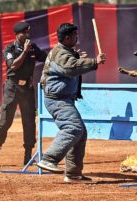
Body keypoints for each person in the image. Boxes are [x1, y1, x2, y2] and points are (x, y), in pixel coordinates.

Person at [37, 23, 106, 183]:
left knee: (80, 133)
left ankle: (73, 173)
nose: (77, 38)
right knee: (73, 128)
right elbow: (70, 69)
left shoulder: (65, 52)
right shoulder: (60, 53)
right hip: (57, 99)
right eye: (75, 35)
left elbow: (71, 65)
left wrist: (81, 60)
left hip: (62, 98)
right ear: (67, 37)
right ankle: (49, 159)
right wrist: (94, 61)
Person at [0, 21, 47, 167]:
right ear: (17, 34)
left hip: (27, 88)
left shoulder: (32, 47)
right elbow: (13, 65)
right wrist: (24, 52)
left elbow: (46, 57)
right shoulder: (10, 48)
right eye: (25, 33)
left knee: (29, 121)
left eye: (28, 33)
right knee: (5, 121)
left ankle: (28, 156)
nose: (28, 35)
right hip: (12, 87)